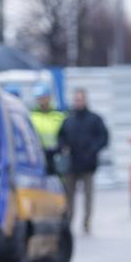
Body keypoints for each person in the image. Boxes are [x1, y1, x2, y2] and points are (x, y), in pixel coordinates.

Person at [58, 88, 108, 234]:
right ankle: (69, 221)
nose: (78, 102)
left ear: (85, 100)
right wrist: (63, 148)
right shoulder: (68, 119)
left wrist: (93, 151)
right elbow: (61, 137)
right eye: (76, 99)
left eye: (80, 99)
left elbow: (104, 138)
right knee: (69, 196)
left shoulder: (95, 119)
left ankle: (86, 222)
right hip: (71, 165)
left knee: (88, 196)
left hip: (88, 165)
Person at [29, 85, 66, 174]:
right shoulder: (31, 116)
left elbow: (65, 135)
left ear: (49, 98)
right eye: (39, 98)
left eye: (43, 97)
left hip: (56, 155)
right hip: (38, 155)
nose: (41, 101)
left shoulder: (59, 115)